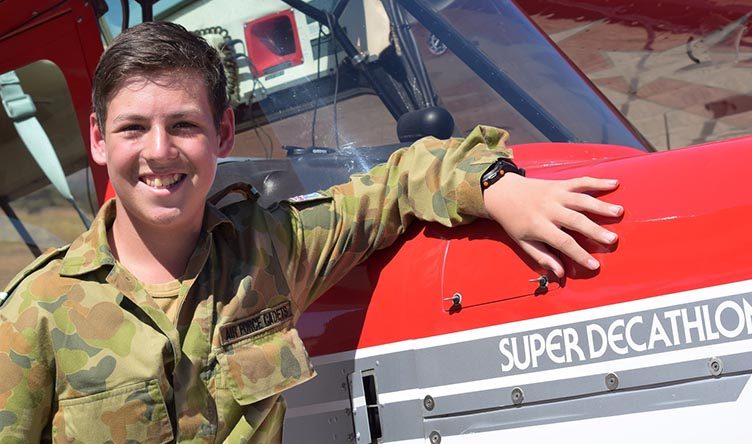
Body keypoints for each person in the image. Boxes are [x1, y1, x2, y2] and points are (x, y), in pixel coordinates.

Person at [0, 22, 623, 442]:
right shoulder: (36, 313)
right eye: (133, 128)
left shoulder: (271, 250)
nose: (159, 152)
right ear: (98, 140)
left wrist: (498, 184)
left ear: (222, 134)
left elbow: (395, 183)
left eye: (184, 126)